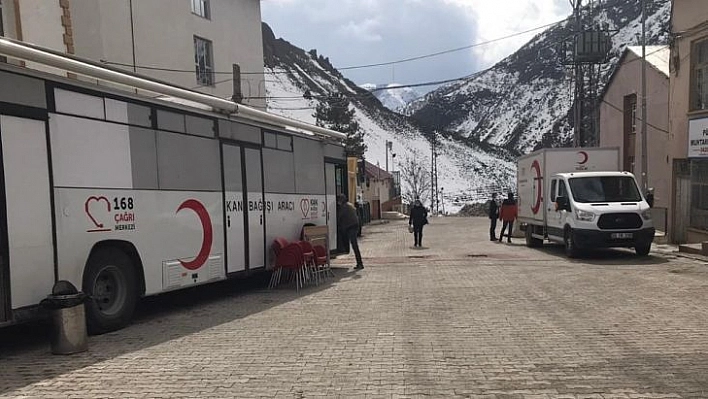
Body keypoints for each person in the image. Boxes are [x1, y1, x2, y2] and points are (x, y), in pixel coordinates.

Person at [337, 194, 363, 270]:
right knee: (354, 245)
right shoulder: (350, 205)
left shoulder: (343, 207)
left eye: (339, 200)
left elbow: (339, 217)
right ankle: (359, 263)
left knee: (354, 245)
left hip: (351, 227)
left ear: (341, 201)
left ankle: (360, 263)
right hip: (355, 226)